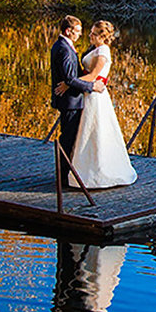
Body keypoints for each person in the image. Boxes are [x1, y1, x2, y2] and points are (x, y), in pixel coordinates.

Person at [61, 20, 137, 188]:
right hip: (88, 93)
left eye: (94, 34)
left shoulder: (103, 50)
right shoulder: (95, 49)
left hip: (95, 94)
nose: (89, 35)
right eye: (91, 32)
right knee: (85, 131)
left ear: (103, 36)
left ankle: (100, 172)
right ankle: (81, 169)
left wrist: (69, 83)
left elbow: (95, 75)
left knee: (96, 130)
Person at [50, 15, 104, 186]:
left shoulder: (64, 45)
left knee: (71, 137)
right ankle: (63, 177)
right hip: (70, 101)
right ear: (68, 31)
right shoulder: (64, 49)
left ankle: (66, 174)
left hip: (71, 98)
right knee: (68, 139)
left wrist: (69, 81)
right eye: (78, 32)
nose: (80, 35)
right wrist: (91, 87)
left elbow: (72, 77)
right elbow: (69, 77)